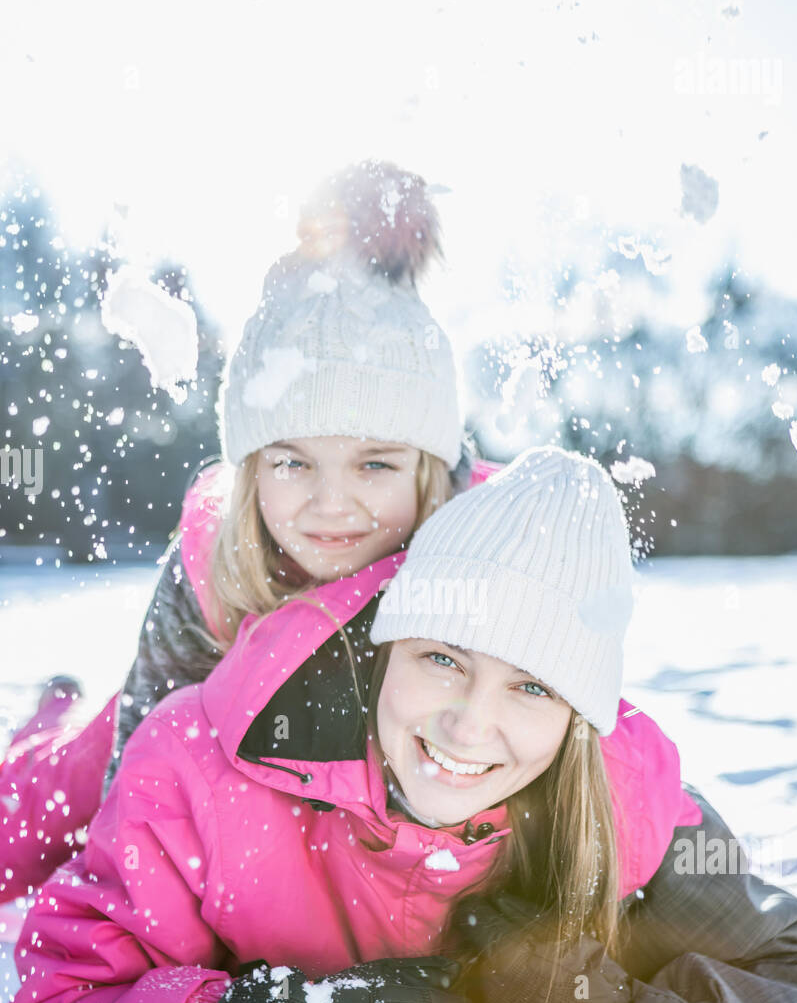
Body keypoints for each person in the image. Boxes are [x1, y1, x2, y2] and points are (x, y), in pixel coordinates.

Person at [0, 448, 797, 1003]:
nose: (470, 725)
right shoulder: (193, 765)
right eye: (442, 658)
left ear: (580, 715)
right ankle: (53, 716)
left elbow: (786, 973)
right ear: (386, 647)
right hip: (134, 739)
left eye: (533, 686)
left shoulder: (625, 792)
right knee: (35, 796)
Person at [0, 158, 489, 904]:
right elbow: (133, 794)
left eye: (375, 466)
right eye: (293, 464)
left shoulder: (484, 552)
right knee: (30, 816)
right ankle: (48, 719)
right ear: (250, 470)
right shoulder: (213, 560)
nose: (333, 506)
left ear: (429, 471)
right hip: (131, 735)